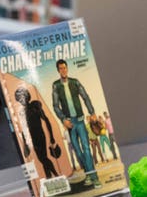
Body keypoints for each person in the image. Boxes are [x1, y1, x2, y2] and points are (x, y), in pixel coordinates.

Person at [51, 59, 101, 188]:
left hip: (80, 121)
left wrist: (92, 111)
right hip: (70, 124)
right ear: (58, 70)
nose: (63, 70)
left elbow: (85, 96)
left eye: (65, 68)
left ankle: (94, 177)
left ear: (67, 69)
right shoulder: (56, 85)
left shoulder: (75, 82)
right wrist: (63, 119)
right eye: (61, 68)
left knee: (86, 148)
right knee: (78, 152)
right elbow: (56, 106)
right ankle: (89, 174)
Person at [14, 86, 60, 179]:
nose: (21, 100)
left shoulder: (35, 106)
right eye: (19, 99)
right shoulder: (22, 112)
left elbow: (46, 120)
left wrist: (51, 137)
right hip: (32, 138)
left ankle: (56, 175)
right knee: (42, 158)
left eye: (23, 97)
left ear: (27, 96)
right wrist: (25, 144)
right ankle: (49, 177)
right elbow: (23, 129)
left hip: (40, 135)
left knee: (42, 158)